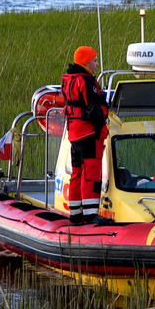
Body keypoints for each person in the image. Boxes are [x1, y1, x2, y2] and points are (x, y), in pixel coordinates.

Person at [60, 46, 109, 225]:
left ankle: (75, 214)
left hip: (74, 135)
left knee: (77, 174)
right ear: (86, 62)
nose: (97, 64)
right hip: (89, 134)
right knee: (91, 175)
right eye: (95, 60)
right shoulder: (87, 81)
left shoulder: (69, 80)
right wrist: (102, 126)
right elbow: (94, 109)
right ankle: (90, 216)